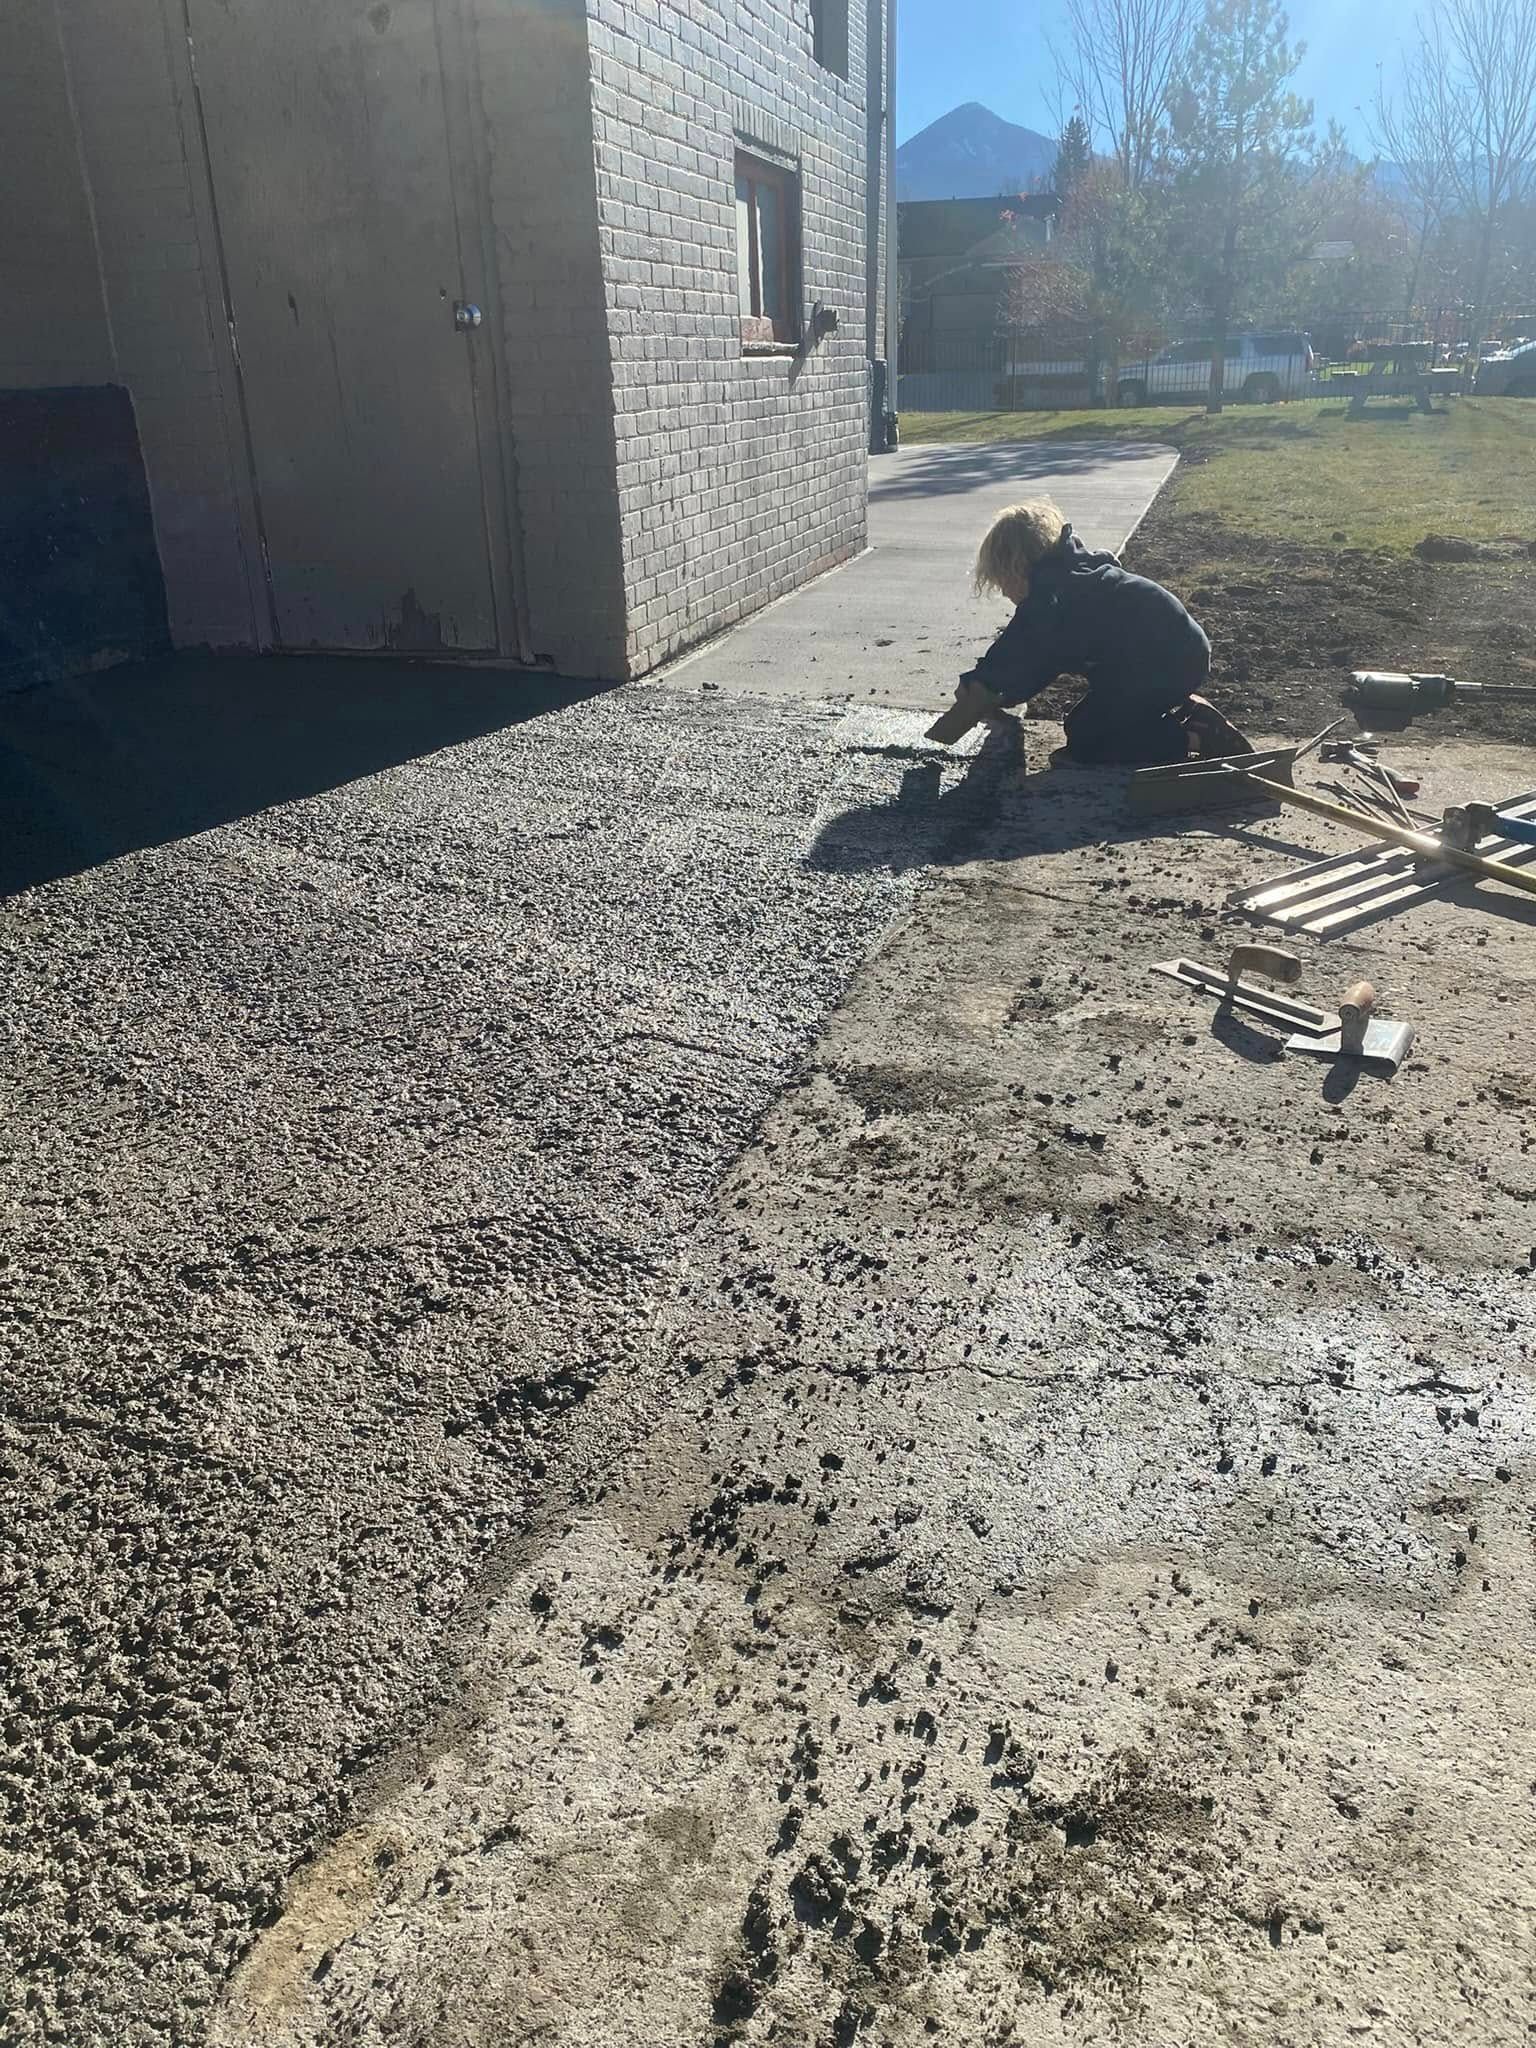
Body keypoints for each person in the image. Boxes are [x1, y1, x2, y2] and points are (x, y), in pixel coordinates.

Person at [945, 498, 1251, 765]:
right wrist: (1005, 695)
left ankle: (1194, 736)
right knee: (1089, 721)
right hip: (1167, 654)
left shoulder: (1052, 600)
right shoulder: (1069, 578)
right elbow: (1039, 663)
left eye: (1001, 582)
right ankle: (1186, 711)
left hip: (1168, 663)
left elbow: (1017, 651)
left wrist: (980, 682)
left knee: (1088, 738)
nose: (1003, 592)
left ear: (1016, 568)